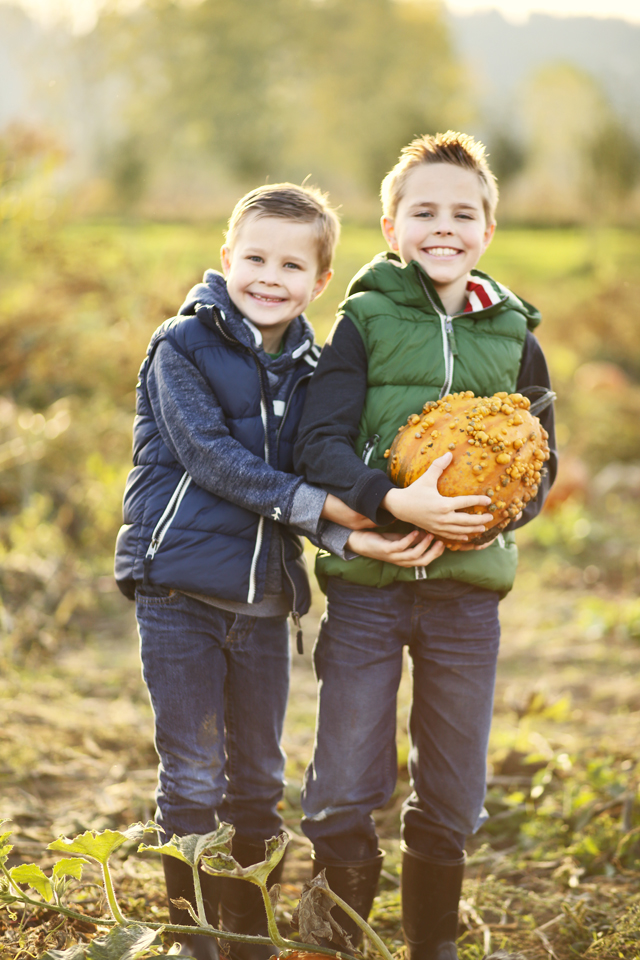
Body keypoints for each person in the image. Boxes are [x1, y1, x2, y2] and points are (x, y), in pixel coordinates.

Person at [114, 183, 443, 960]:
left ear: (319, 282)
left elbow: (311, 473)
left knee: (259, 778)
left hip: (264, 601)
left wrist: (353, 540)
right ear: (226, 258)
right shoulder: (180, 347)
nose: (269, 276)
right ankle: (196, 940)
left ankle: (249, 937)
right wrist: (323, 510)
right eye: (255, 257)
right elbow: (212, 460)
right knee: (194, 775)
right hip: (180, 591)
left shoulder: (312, 370)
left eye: (291, 264)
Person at [293, 133, 558, 960]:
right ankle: (340, 933)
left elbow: (539, 460)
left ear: (487, 230)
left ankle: (430, 946)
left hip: (467, 596)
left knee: (453, 793)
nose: (443, 227)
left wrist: (493, 516)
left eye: (463, 213)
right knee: (341, 784)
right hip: (369, 588)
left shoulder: (516, 334)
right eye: (424, 211)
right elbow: (318, 444)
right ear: (390, 225)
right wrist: (393, 502)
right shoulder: (363, 322)